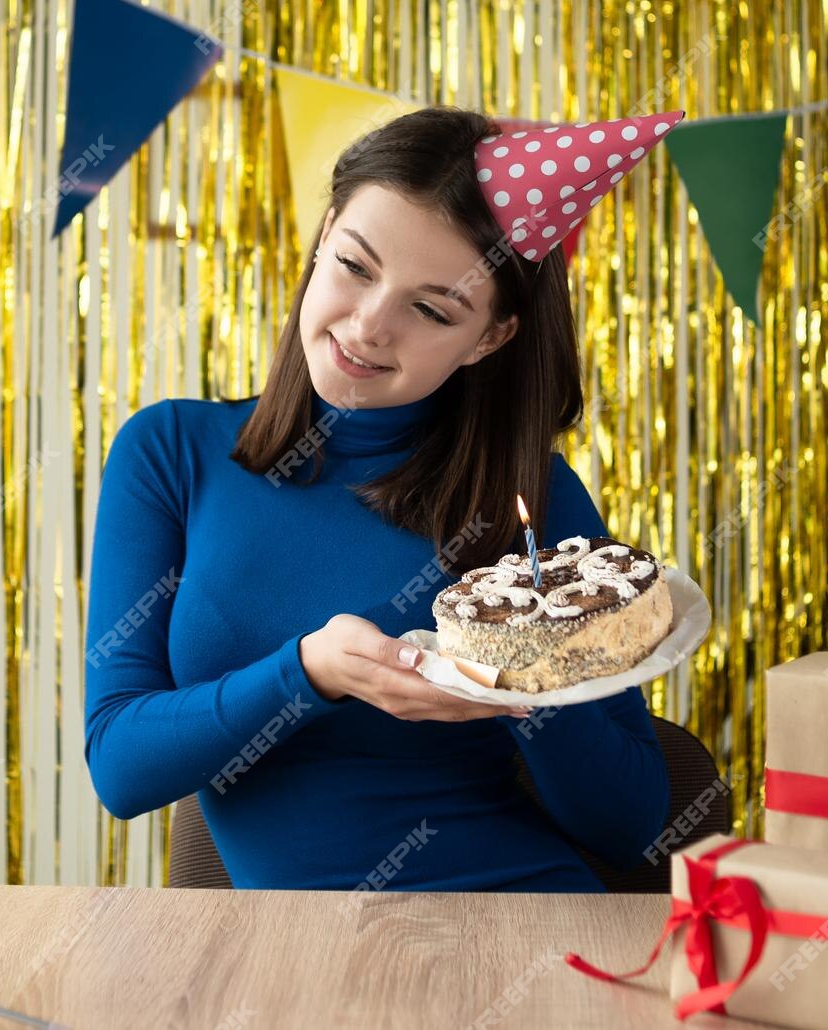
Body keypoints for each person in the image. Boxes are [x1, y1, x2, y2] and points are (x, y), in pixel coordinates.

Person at [84, 104, 686, 891]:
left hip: (527, 928)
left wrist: (523, 679)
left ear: (490, 337)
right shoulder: (170, 454)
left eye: (431, 309)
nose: (369, 326)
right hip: (301, 970)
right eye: (355, 267)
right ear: (325, 230)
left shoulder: (531, 498)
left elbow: (633, 824)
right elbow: (122, 768)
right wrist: (309, 672)